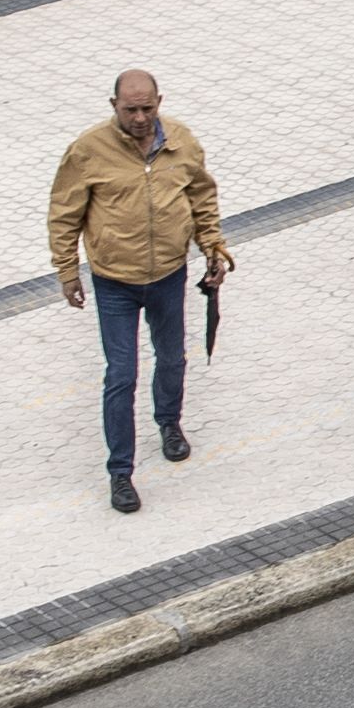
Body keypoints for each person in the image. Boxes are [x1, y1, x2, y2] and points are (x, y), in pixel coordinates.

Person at [51, 69, 232, 516]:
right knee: (122, 374)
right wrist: (67, 271)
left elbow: (202, 198)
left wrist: (212, 247)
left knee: (172, 358)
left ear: (159, 101)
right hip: (115, 281)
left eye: (147, 108)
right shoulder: (87, 150)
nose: (139, 117)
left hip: (168, 274)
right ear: (113, 104)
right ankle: (120, 472)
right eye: (130, 109)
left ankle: (169, 424)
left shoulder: (182, 141)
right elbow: (63, 213)